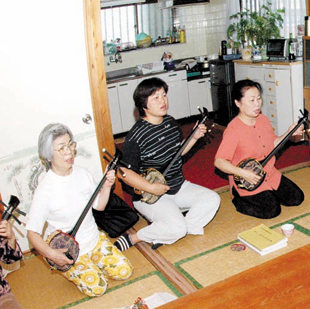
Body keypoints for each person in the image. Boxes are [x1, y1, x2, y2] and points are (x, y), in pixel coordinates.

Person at [26, 123, 133, 297]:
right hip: (70, 252)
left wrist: (106, 186)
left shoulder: (82, 174)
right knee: (98, 288)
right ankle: (73, 270)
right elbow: (32, 233)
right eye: (61, 148)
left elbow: (99, 206)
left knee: (124, 271)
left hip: (94, 240)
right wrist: (51, 254)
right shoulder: (45, 190)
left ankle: (95, 261)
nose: (69, 151)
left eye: (70, 144)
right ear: (48, 155)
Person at [114, 77, 220, 250]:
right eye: (155, 98)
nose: (163, 101)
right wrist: (150, 187)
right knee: (177, 226)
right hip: (150, 196)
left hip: (177, 186)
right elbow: (123, 173)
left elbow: (178, 152)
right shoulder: (136, 135)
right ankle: (135, 237)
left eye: (164, 95)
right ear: (143, 104)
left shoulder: (170, 122)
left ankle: (174, 229)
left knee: (212, 199)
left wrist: (193, 137)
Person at [214, 79, 305, 219]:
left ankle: (268, 192)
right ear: (238, 103)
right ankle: (238, 199)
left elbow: (273, 144)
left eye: (258, 98)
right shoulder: (233, 129)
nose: (257, 104)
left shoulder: (263, 119)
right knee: (272, 210)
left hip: (269, 172)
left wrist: (289, 133)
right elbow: (219, 161)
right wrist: (243, 173)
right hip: (248, 179)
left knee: (297, 198)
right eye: (251, 100)